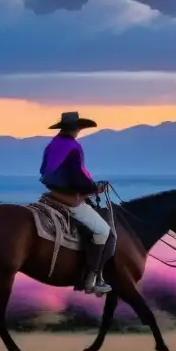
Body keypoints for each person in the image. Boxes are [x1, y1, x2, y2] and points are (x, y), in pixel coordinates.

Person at [38, 111, 113, 295]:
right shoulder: (73, 147)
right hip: (69, 198)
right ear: (77, 128)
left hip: (52, 194)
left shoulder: (51, 145)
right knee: (103, 230)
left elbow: (43, 171)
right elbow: (77, 175)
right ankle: (92, 279)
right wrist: (94, 188)